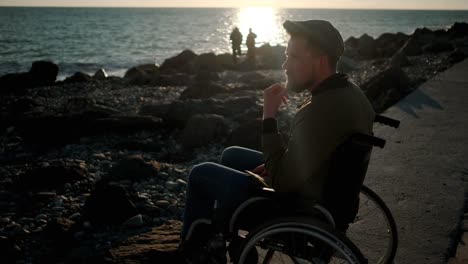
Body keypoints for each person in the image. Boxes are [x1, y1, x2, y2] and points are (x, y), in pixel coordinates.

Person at [178, 19, 375, 261]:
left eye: (293, 57)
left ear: (320, 60)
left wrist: (268, 117)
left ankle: (194, 251)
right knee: (232, 155)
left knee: (201, 173)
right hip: (325, 188)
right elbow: (312, 154)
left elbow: (282, 182)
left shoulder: (317, 112)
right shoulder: (351, 93)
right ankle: (215, 237)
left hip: (297, 205)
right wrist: (273, 167)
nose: (285, 65)